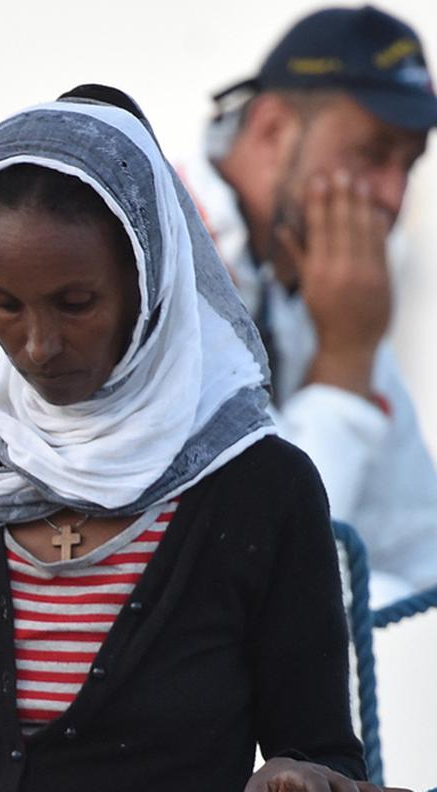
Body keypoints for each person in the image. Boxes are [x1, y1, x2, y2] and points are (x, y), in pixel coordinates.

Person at [0, 86, 375, 792]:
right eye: (3, 303)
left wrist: (300, 776)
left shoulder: (258, 488)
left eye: (76, 304)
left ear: (151, 283)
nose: (40, 345)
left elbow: (322, 751)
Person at [179, 5, 437, 604]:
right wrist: (344, 362)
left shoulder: (323, 277)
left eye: (410, 166)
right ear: (271, 131)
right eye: (373, 154)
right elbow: (250, 573)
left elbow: (418, 553)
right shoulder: (144, 255)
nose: (394, 198)